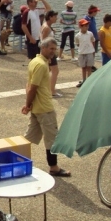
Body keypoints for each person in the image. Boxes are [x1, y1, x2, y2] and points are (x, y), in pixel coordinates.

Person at [21, 37, 70, 177]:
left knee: (29, 137)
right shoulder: (41, 65)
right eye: (51, 49)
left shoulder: (34, 61)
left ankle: (18, 159)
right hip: (45, 108)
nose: (53, 52)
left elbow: (28, 84)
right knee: (52, 139)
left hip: (37, 107)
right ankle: (53, 167)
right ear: (43, 48)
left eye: (55, 49)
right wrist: (27, 104)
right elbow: (32, 88)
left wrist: (29, 104)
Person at [41, 10, 61, 97]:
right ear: (50, 17)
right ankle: (52, 91)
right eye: (55, 16)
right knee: (55, 71)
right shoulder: (47, 28)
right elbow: (43, 41)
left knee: (47, 71)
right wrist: (48, 56)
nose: (56, 18)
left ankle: (46, 88)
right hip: (49, 53)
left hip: (49, 52)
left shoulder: (47, 26)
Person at [75, 19, 95, 87]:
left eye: (87, 25)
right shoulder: (77, 35)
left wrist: (92, 50)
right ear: (81, 26)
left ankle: (89, 80)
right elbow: (77, 43)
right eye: (85, 26)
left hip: (89, 52)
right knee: (83, 67)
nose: (87, 27)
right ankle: (84, 80)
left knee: (89, 67)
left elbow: (93, 40)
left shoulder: (90, 33)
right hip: (82, 52)